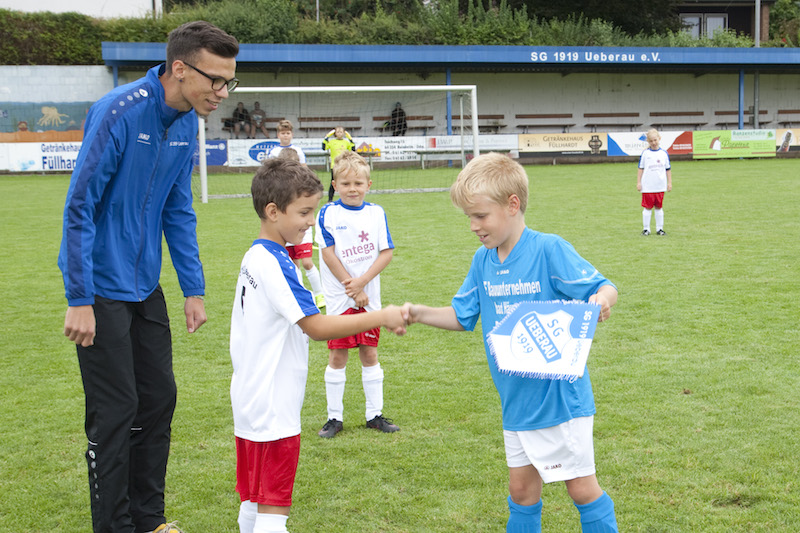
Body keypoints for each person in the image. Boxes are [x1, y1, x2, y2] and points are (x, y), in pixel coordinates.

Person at [58, 21, 239, 533]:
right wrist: (79, 297)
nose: (222, 93)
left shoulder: (186, 123)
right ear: (179, 69)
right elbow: (79, 207)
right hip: (98, 288)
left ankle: (149, 519)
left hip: (145, 287)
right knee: (116, 411)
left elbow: (178, 210)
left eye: (230, 82)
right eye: (216, 80)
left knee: (158, 400)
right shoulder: (118, 111)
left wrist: (194, 289)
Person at [404, 152, 619, 532]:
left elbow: (604, 286)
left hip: (558, 400)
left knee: (581, 489)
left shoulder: (548, 249)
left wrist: (600, 301)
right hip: (516, 399)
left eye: (480, 216)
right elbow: (462, 315)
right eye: (468, 217)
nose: (473, 226)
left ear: (513, 205)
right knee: (521, 491)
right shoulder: (483, 260)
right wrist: (419, 313)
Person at [230, 158, 408, 533]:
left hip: (248, 401)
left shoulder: (255, 254)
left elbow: (299, 253)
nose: (312, 221)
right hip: (274, 406)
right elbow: (317, 327)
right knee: (273, 511)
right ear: (273, 211)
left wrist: (302, 255)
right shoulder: (274, 264)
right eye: (305, 212)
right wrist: (383, 315)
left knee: (254, 500)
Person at [314, 150, 400, 438]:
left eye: (358, 184)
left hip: (368, 298)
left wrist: (362, 283)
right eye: (346, 184)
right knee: (337, 355)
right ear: (335, 185)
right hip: (340, 299)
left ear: (369, 185)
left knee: (370, 352)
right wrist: (350, 285)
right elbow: (327, 253)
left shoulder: (376, 213)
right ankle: (334, 418)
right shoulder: (327, 212)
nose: (353, 189)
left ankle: (374, 415)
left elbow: (386, 252)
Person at [267, 121, 324, 307]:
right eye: (282, 133)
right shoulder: (274, 154)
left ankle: (320, 294)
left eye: (288, 132)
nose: (285, 135)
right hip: (286, 229)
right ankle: (299, 296)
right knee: (293, 264)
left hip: (303, 230)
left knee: (307, 262)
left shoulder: (299, 154)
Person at [637, 128, 672, 236]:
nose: (653, 143)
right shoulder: (645, 154)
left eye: (655, 140)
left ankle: (659, 229)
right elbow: (640, 168)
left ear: (659, 139)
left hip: (660, 185)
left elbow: (668, 169)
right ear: (648, 141)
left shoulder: (664, 153)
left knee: (659, 207)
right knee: (647, 207)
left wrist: (669, 182)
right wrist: (639, 182)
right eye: (651, 141)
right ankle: (646, 229)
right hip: (648, 186)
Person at [321, 125, 356, 202]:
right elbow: (323, 147)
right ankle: (330, 199)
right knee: (333, 182)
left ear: (344, 133)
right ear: (335, 133)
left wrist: (350, 138)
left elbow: (353, 149)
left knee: (345, 181)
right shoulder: (331, 142)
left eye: (341, 132)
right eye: (338, 132)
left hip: (344, 165)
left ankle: (346, 197)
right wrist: (327, 136)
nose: (339, 133)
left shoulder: (346, 142)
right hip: (335, 166)